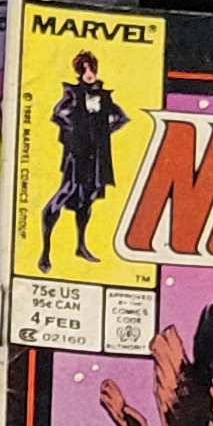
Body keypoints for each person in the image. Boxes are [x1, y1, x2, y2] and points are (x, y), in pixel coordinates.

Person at [37, 47, 129, 271]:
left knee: (87, 199)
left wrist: (102, 132)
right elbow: (57, 115)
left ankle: (80, 246)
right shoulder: (73, 93)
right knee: (64, 194)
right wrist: (77, 131)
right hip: (77, 155)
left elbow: (121, 117)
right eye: (84, 69)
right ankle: (45, 252)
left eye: (91, 69)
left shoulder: (103, 95)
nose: (89, 73)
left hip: (95, 156)